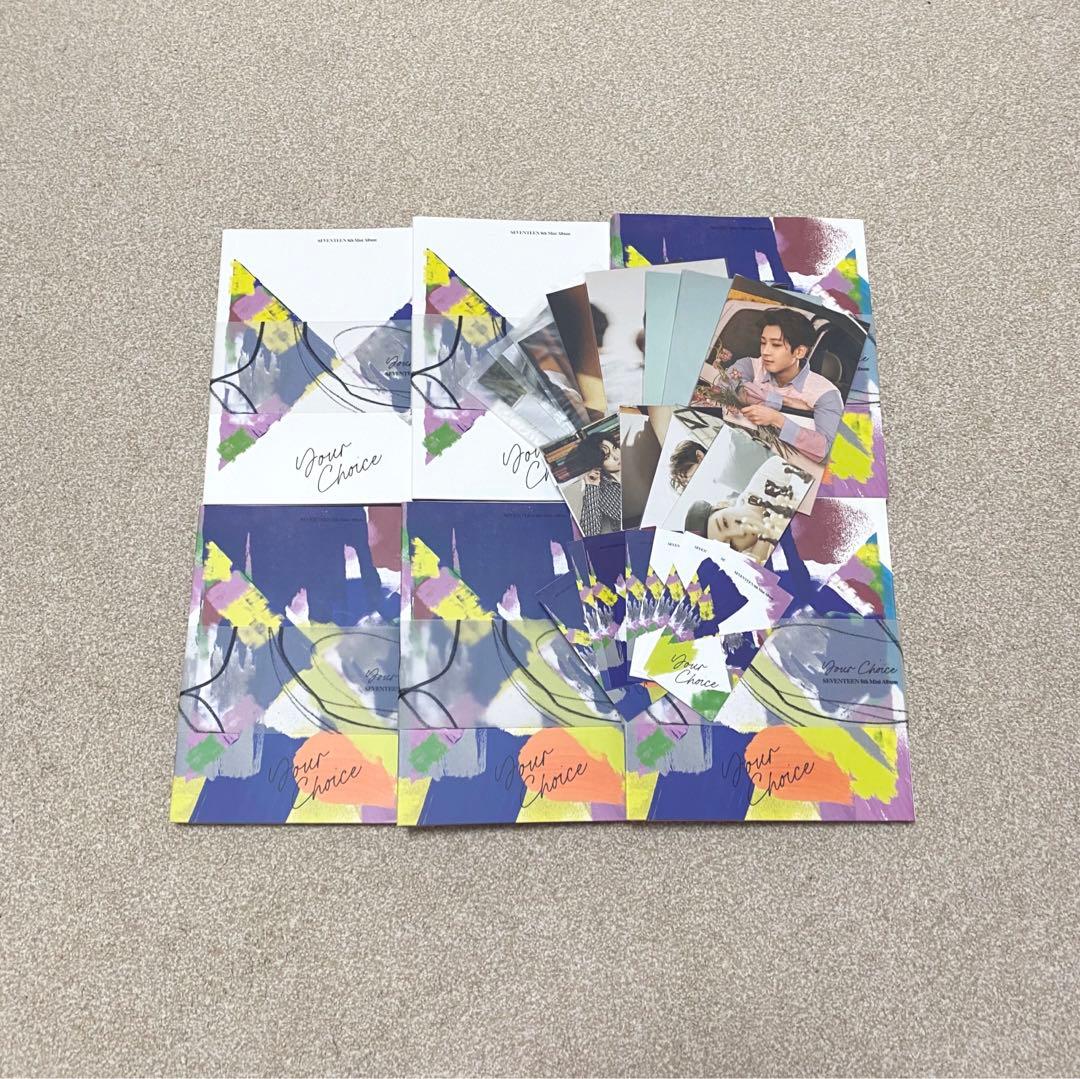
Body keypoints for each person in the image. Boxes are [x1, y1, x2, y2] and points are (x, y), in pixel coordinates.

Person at [724, 308, 843, 463]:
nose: (765, 351)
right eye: (763, 343)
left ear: (799, 352)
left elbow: (827, 451)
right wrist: (785, 402)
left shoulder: (825, 394)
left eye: (776, 345)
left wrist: (777, 419)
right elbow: (726, 387)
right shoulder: (749, 365)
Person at [684, 456, 814, 563]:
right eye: (732, 545)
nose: (740, 532)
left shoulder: (769, 476)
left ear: (723, 505)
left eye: (725, 523)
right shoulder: (755, 559)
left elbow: (812, 481)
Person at [579, 431, 622, 535]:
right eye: (607, 456)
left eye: (615, 448)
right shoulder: (599, 492)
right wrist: (592, 487)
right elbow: (589, 534)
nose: (616, 456)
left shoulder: (638, 465)